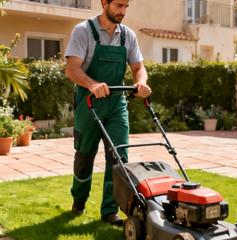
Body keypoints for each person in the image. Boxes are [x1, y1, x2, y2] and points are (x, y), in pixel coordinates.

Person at [63, 0, 151, 226]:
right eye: (118, 6)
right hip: (89, 103)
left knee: (119, 157)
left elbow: (138, 67)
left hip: (116, 104)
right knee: (84, 156)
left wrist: (141, 83)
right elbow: (72, 68)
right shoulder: (83, 31)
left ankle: (110, 212)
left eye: (125, 7)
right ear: (104, 3)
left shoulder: (127, 35)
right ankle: (79, 201)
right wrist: (92, 84)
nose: (122, 11)